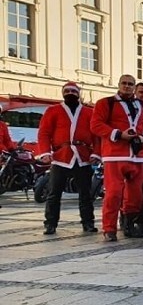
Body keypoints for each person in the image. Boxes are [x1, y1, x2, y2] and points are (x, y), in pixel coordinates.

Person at [90, 74, 143, 241]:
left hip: (137, 156)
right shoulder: (105, 103)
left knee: (136, 195)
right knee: (113, 194)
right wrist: (119, 134)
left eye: (130, 84)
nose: (127, 86)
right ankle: (109, 228)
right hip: (115, 155)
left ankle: (129, 224)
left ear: (134, 87)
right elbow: (96, 125)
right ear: (119, 84)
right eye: (124, 83)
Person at [36, 81, 98, 235]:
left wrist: (96, 153)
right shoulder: (53, 111)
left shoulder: (89, 112)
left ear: (79, 93)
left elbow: (97, 136)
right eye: (67, 91)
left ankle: (88, 223)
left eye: (73, 91)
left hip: (82, 156)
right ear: (63, 93)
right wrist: (45, 152)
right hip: (60, 156)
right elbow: (44, 133)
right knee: (54, 192)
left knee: (85, 193)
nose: (70, 93)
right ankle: (50, 224)